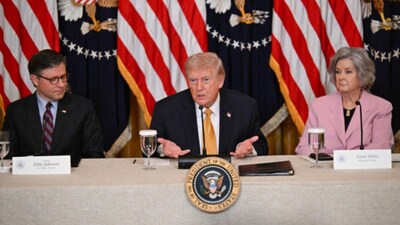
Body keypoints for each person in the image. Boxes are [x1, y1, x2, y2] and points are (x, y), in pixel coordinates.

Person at [150, 52, 268, 158]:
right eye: (193, 80)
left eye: (206, 80)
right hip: (183, 177)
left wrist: (250, 149)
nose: (199, 87)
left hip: (231, 175)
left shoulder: (244, 106)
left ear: (220, 81)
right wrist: (162, 149)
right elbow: (149, 149)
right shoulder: (166, 109)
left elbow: (261, 146)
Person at [2, 49, 104, 164]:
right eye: (54, 79)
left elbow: (95, 155)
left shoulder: (83, 108)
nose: (61, 85)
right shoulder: (16, 111)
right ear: (35, 80)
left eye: (63, 77)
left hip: (72, 179)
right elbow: (8, 156)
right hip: (29, 180)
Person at [296, 47, 394, 155]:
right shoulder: (319, 106)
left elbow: (382, 147)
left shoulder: (381, 107)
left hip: (363, 170)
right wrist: (328, 160)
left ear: (362, 75)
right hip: (327, 169)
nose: (341, 77)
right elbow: (304, 147)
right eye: (338, 72)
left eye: (348, 72)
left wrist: (346, 160)